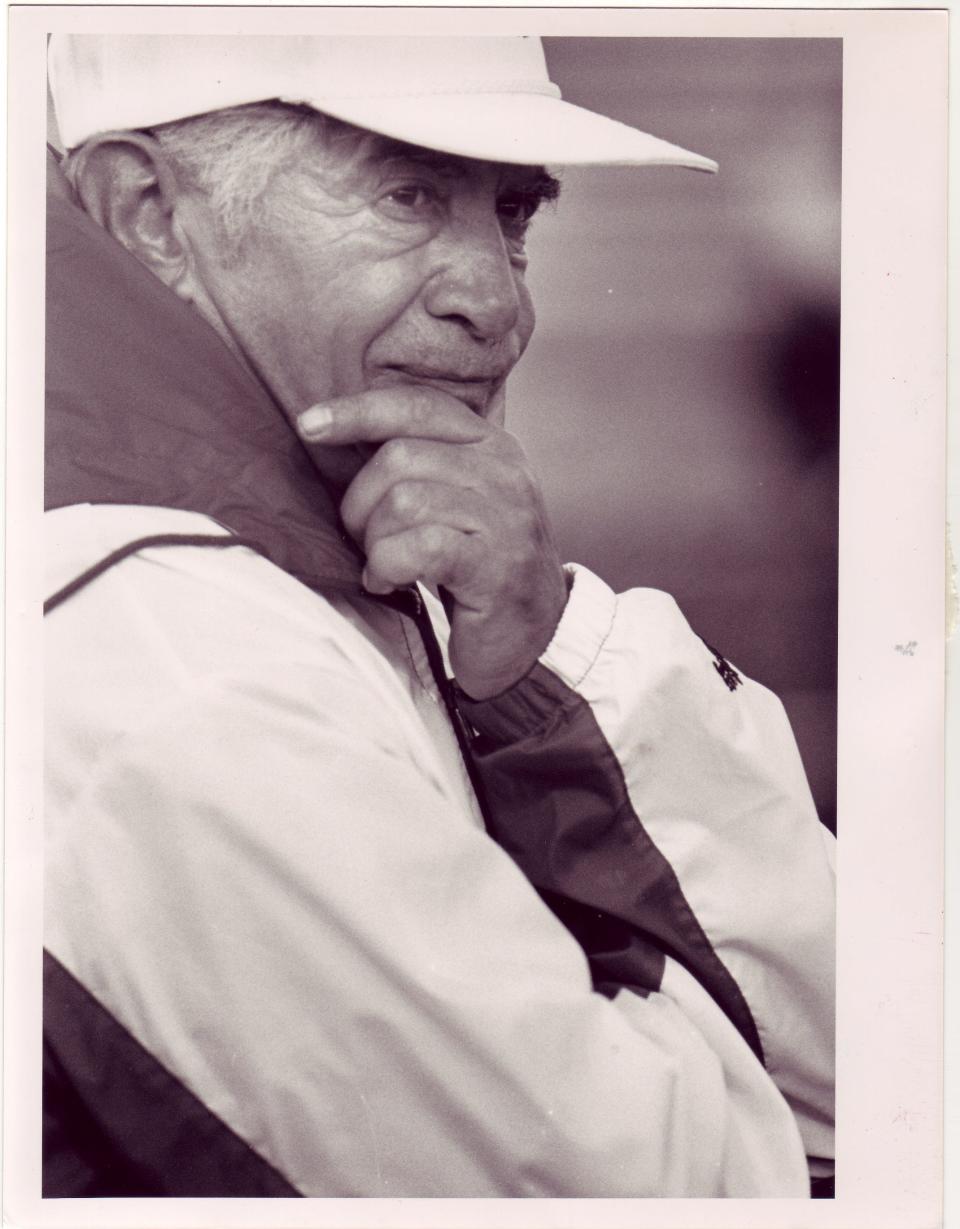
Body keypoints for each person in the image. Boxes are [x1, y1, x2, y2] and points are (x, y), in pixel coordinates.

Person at [43, 33, 835, 1198]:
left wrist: (536, 647)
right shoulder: (186, 670)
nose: (498, 304)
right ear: (146, 210)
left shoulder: (257, 571)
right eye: (406, 192)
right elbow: (735, 1168)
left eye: (513, 212)